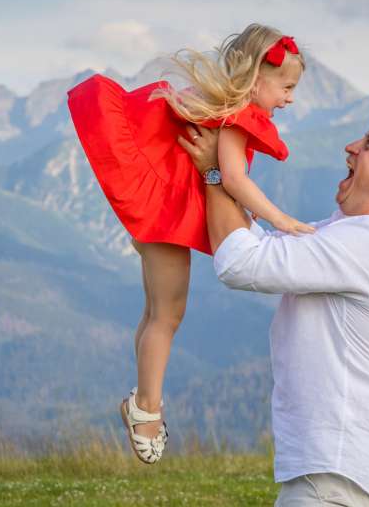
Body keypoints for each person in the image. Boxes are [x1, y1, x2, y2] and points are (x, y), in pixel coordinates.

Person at [65, 23, 314, 464]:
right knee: (167, 315)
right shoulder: (238, 117)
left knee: (155, 311)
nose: (290, 98)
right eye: (287, 87)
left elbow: (224, 177)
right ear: (258, 78)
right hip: (164, 214)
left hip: (156, 203)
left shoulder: (221, 107)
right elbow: (233, 178)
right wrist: (280, 219)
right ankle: (146, 410)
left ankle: (143, 399)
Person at [178, 118, 369, 505]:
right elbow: (262, 244)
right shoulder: (362, 235)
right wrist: (226, 176)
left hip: (336, 477)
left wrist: (214, 172)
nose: (351, 146)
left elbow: (241, 263)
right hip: (343, 473)